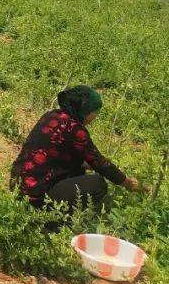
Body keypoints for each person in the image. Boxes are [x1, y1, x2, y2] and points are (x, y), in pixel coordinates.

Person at [10, 85, 140, 216]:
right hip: (36, 196)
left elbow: (61, 154)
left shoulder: (52, 116)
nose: (95, 116)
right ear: (85, 110)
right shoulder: (75, 129)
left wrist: (89, 164)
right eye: (95, 112)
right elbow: (100, 164)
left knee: (78, 170)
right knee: (98, 184)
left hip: (17, 185)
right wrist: (128, 183)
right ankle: (52, 221)